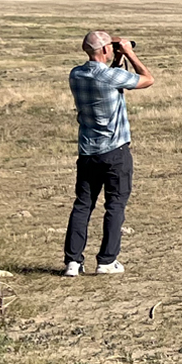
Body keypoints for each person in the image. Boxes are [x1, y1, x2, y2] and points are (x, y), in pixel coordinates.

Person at [62, 30, 154, 276]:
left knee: (83, 205)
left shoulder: (76, 74)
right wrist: (130, 53)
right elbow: (147, 79)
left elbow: (107, 77)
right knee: (115, 204)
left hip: (87, 151)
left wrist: (116, 59)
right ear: (104, 50)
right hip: (115, 151)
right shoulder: (112, 77)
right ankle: (106, 260)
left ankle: (73, 261)